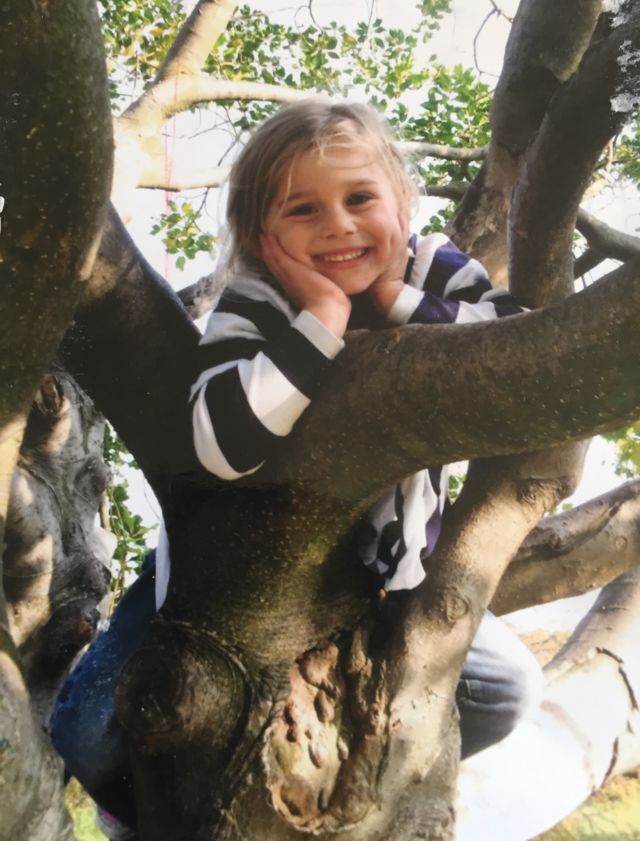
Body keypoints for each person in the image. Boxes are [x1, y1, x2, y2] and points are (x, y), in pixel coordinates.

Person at [51, 99, 543, 839]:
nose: (338, 225)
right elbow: (222, 442)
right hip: (216, 577)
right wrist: (322, 318)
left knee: (510, 687)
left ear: (403, 203)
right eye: (303, 209)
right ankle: (147, 815)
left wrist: (398, 300)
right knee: (88, 731)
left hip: (392, 582)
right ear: (262, 235)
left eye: (360, 199)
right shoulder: (258, 298)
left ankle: (364, 767)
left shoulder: (435, 266)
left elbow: (518, 351)